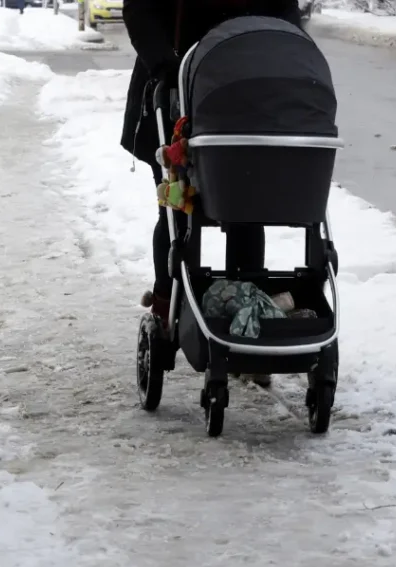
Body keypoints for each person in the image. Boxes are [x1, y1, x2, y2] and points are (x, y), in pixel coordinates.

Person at [122, 0, 302, 334]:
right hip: (175, 90)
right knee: (177, 209)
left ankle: (245, 306)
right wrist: (165, 65)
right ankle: (169, 301)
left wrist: (286, 52)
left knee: (246, 210)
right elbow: (139, 8)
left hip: (247, 93)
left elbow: (285, 12)